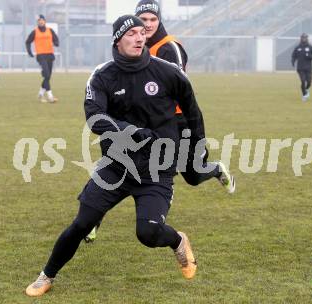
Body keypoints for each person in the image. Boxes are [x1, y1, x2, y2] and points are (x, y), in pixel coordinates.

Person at [25, 15, 205, 297]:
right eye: (131, 33)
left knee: (148, 233)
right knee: (82, 224)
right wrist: (132, 132)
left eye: (141, 32)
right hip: (116, 167)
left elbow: (193, 111)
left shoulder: (168, 72)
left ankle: (178, 241)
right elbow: (95, 117)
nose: (139, 37)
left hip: (156, 168)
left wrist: (199, 147)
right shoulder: (103, 75)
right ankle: (46, 275)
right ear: (118, 40)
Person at [83, 0, 236, 243]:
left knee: (193, 176)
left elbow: (183, 93)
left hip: (174, 123)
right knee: (115, 166)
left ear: (159, 21)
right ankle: (91, 222)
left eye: (153, 20)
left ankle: (214, 169)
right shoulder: (132, 46)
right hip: (141, 123)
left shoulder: (169, 48)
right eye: (143, 21)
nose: (148, 25)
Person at [26, 15, 59, 103]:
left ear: (45, 21)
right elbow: (28, 42)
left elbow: (56, 39)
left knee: (48, 77)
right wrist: (29, 52)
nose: (41, 22)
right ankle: (50, 96)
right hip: (41, 56)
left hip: (50, 55)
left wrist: (56, 43)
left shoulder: (50, 30)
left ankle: (40, 94)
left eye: (42, 20)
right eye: (39, 20)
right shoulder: (35, 32)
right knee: (47, 75)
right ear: (37, 22)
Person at [291, 33, 312, 102]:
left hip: (308, 68)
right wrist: (293, 61)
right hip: (300, 68)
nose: (304, 39)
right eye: (303, 38)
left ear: (307, 38)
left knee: (309, 82)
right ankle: (304, 95)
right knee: (303, 81)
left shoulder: (311, 47)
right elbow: (293, 56)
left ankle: (306, 89)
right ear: (301, 38)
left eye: (305, 38)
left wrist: (309, 56)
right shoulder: (298, 47)